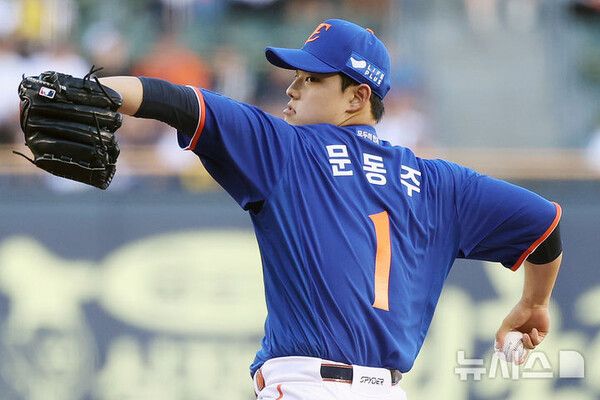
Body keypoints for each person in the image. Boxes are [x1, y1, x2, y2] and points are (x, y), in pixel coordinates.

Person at [95, 19, 562, 400]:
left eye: (312, 79)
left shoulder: (290, 149)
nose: (292, 89)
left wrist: (84, 90)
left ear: (357, 97)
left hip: (306, 387)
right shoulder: (439, 183)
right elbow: (543, 225)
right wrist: (534, 303)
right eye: (296, 76)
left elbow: (179, 102)